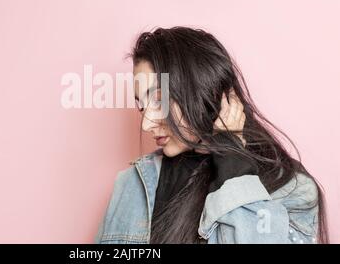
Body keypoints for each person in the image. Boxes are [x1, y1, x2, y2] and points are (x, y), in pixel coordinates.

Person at [94, 26, 329, 244]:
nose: (146, 124)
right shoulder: (133, 183)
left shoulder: (290, 188)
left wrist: (232, 160)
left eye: (159, 99)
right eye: (142, 105)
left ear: (208, 91)